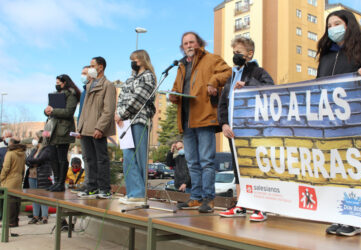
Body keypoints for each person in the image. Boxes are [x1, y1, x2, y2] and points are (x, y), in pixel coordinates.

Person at [316, 10, 361, 236]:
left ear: (348, 25)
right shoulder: (326, 55)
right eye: (329, 25)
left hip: (354, 124)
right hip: (330, 125)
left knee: (353, 170)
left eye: (337, 23)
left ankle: (353, 220)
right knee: (334, 170)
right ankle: (339, 216)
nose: (333, 28)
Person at [170, 32, 231, 213]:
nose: (188, 45)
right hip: (187, 120)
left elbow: (228, 72)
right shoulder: (181, 66)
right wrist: (173, 95)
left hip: (204, 117)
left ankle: (208, 199)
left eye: (191, 42)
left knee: (206, 161)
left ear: (199, 44)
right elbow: (176, 88)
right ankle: (195, 198)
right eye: (185, 43)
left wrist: (213, 81)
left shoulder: (211, 59)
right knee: (192, 163)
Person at [217, 37, 274, 222]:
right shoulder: (231, 75)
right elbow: (223, 102)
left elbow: (271, 88)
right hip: (234, 131)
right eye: (234, 53)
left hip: (253, 129)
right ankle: (241, 204)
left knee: (255, 166)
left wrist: (249, 85)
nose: (235, 56)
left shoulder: (257, 71)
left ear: (249, 54)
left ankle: (261, 207)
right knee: (238, 168)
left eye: (239, 53)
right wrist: (224, 123)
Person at [115, 50, 157, 205]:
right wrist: (118, 114)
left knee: (139, 157)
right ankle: (133, 192)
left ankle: (139, 193)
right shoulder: (129, 79)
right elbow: (121, 98)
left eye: (136, 60)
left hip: (138, 120)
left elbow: (139, 98)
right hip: (124, 122)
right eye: (131, 60)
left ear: (143, 60)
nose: (133, 63)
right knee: (127, 158)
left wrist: (122, 114)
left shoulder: (148, 76)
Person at [77, 56, 116, 199]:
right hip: (85, 128)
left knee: (101, 159)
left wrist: (100, 128)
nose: (90, 68)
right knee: (89, 159)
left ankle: (104, 189)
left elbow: (109, 110)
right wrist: (79, 128)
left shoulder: (108, 85)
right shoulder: (88, 86)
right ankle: (91, 187)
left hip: (97, 129)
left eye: (92, 65)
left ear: (101, 67)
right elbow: (84, 109)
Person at [44, 74, 80, 192]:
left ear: (65, 83)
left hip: (64, 130)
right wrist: (46, 111)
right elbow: (50, 110)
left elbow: (69, 112)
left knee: (61, 157)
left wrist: (53, 111)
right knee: (53, 156)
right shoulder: (56, 95)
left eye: (59, 82)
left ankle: (60, 183)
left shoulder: (71, 95)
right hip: (53, 130)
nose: (57, 84)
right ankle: (57, 181)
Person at [25, 131, 52, 224]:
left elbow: (39, 159)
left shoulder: (47, 149)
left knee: (43, 197)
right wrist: (33, 162)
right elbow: (28, 160)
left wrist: (33, 161)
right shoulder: (34, 149)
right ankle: (35, 216)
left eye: (36, 138)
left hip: (42, 176)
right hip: (31, 176)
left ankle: (44, 217)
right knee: (34, 197)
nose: (34, 140)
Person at [0, 137, 26, 227]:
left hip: (10, 179)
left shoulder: (10, 153)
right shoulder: (22, 153)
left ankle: (9, 222)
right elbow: (23, 168)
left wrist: (1, 178)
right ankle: (15, 220)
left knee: (9, 201)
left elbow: (6, 168)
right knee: (16, 201)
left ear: (11, 143)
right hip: (18, 179)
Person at [75, 65, 91, 193]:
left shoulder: (92, 90)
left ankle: (91, 183)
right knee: (85, 157)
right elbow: (80, 111)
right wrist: (78, 128)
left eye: (85, 73)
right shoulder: (83, 92)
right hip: (82, 128)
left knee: (91, 157)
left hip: (90, 127)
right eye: (81, 73)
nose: (82, 76)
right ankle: (87, 182)